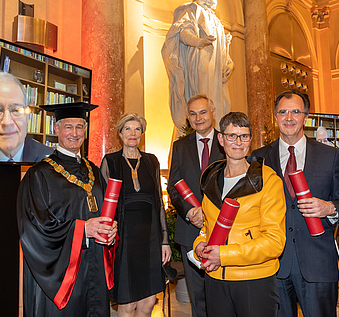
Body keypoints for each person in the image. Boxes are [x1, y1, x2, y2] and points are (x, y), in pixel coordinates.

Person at [252, 90, 339, 317]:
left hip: (317, 263)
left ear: (306, 116)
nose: (289, 117)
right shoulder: (258, 158)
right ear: (275, 116)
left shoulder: (330, 155)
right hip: (273, 263)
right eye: (283, 112)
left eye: (296, 112)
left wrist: (329, 208)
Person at [17, 102, 118, 316]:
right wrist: (82, 230)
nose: (75, 133)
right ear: (56, 129)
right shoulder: (39, 174)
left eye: (80, 127)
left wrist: (110, 230)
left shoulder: (94, 170)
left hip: (94, 265)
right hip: (62, 275)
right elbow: (35, 228)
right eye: (68, 127)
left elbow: (104, 214)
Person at [193, 112, 286, 317]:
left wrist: (224, 255)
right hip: (215, 279)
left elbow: (274, 241)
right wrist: (199, 244)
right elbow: (207, 227)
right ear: (220, 139)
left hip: (254, 280)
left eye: (244, 136)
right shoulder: (210, 178)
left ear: (250, 140)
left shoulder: (268, 180)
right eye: (231, 136)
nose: (238, 142)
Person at [100, 113, 171, 317]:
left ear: (142, 133)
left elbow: (158, 202)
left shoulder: (151, 161)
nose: (133, 133)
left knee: (148, 302)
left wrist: (164, 241)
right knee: (127, 303)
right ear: (120, 133)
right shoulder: (110, 162)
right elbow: (105, 205)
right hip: (124, 239)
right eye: (128, 129)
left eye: (137, 129)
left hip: (150, 238)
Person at [167, 94, 224, 317]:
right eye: (193, 113)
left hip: (223, 228)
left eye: (202, 112)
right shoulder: (180, 146)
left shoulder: (227, 140)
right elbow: (173, 184)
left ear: (213, 112)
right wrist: (189, 212)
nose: (198, 117)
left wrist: (210, 212)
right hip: (190, 230)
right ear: (188, 118)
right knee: (197, 297)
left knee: (221, 293)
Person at [162, 0, 234, 130]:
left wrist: (229, 61)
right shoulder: (192, 10)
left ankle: (218, 139)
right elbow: (182, 32)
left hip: (215, 69)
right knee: (200, 101)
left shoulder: (216, 20)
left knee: (219, 103)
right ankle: (196, 137)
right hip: (199, 65)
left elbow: (222, 49)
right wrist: (199, 42)